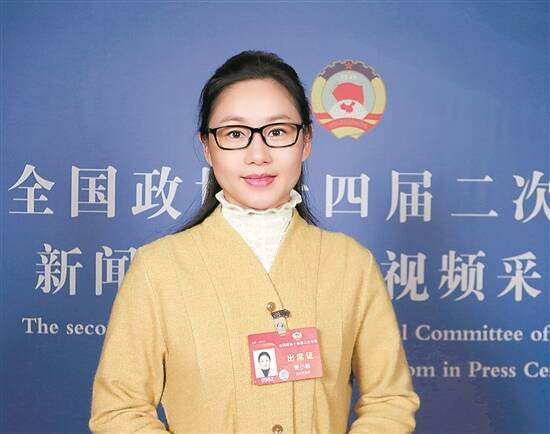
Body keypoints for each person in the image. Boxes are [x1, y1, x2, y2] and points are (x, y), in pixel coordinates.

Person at [89, 50, 420, 434]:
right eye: (235, 134)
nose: (258, 154)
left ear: (306, 140)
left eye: (277, 132)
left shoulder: (351, 264)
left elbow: (389, 401)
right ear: (207, 147)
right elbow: (119, 411)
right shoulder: (158, 269)